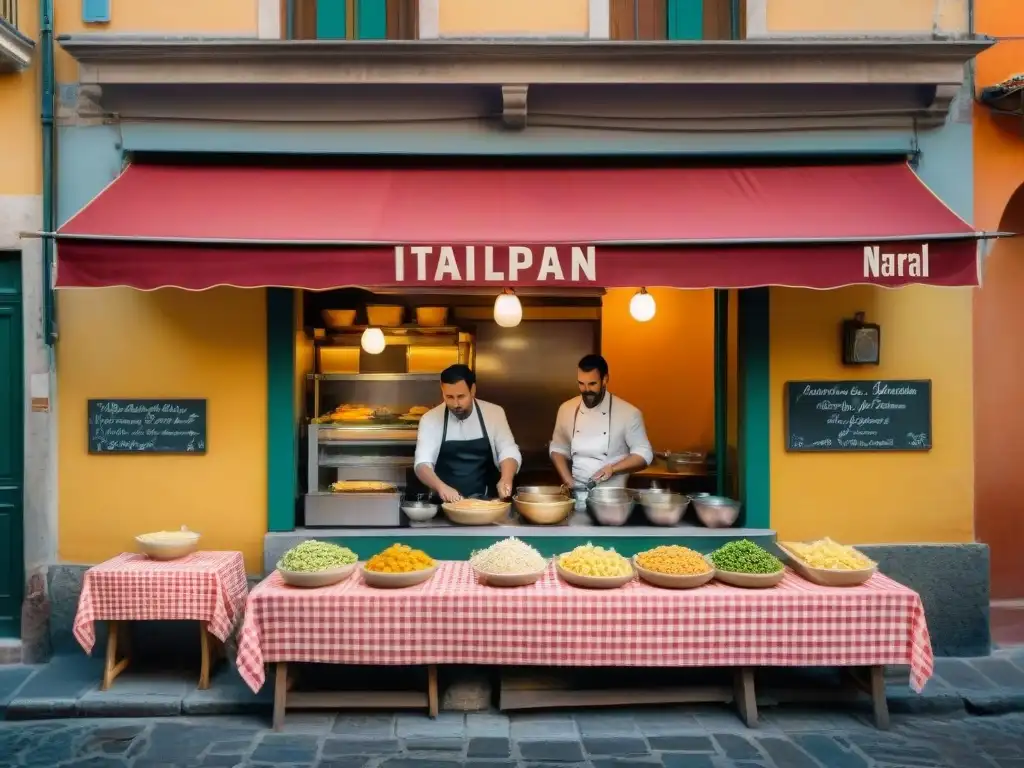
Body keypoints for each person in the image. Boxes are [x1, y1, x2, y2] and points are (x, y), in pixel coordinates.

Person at [413, 364, 522, 503]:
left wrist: (506, 479)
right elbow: (422, 464)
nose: (456, 404)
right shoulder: (429, 419)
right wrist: (441, 487)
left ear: (473, 390)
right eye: (449, 397)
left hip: (485, 502)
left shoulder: (494, 413)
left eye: (461, 396)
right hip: (445, 504)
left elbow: (508, 451)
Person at [549, 354, 653, 489]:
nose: (586, 390)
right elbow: (558, 448)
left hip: (612, 496)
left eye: (592, 384)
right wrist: (568, 480)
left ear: (605, 379)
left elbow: (643, 454)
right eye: (581, 384)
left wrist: (612, 469)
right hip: (576, 492)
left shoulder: (628, 413)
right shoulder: (566, 409)